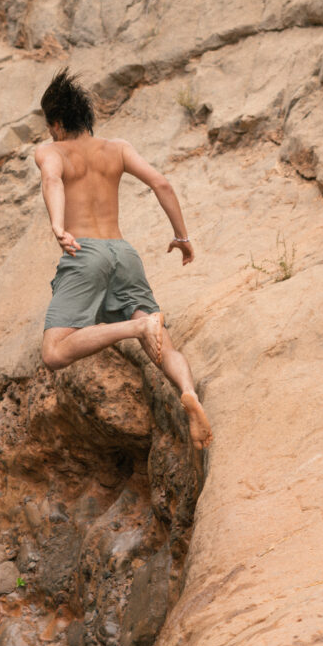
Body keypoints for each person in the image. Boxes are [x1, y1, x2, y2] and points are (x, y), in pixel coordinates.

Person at [35, 68, 212, 451]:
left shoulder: (51, 151)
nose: (50, 136)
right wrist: (181, 237)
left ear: (58, 123)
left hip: (85, 253)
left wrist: (58, 226)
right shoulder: (117, 148)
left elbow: (52, 180)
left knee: (53, 352)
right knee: (163, 344)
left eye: (51, 129)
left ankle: (137, 329)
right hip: (123, 252)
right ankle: (188, 392)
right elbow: (161, 183)